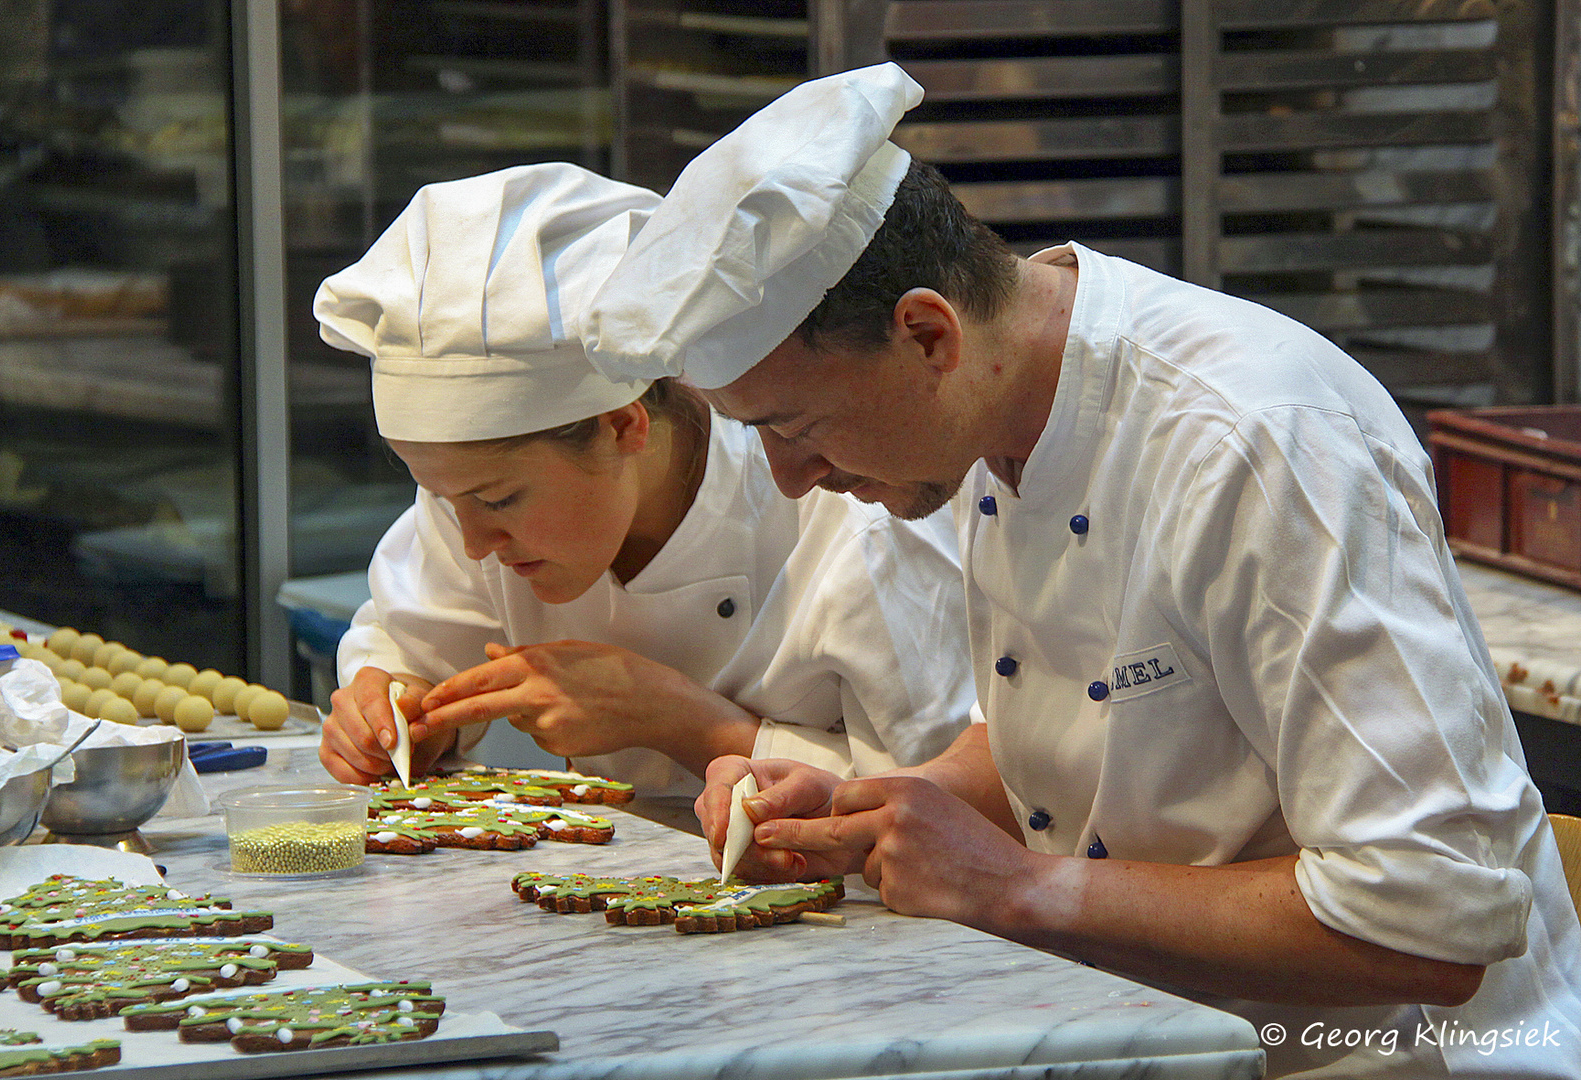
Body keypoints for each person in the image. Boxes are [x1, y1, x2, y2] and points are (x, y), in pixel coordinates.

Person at [581, 63, 1581, 1077]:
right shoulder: (987, 418)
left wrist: (1016, 889)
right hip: (1165, 1034)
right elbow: (1090, 718)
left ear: (927, 333)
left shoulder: (1257, 445)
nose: (794, 481)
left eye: (795, 428)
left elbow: (1436, 918)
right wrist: (868, 804)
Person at [312, 162, 973, 798]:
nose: (476, 542)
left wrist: (674, 719)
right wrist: (395, 711)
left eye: (498, 499)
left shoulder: (846, 500)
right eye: (443, 496)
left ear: (624, 426)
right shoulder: (474, 506)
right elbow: (416, 645)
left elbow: (946, 805)